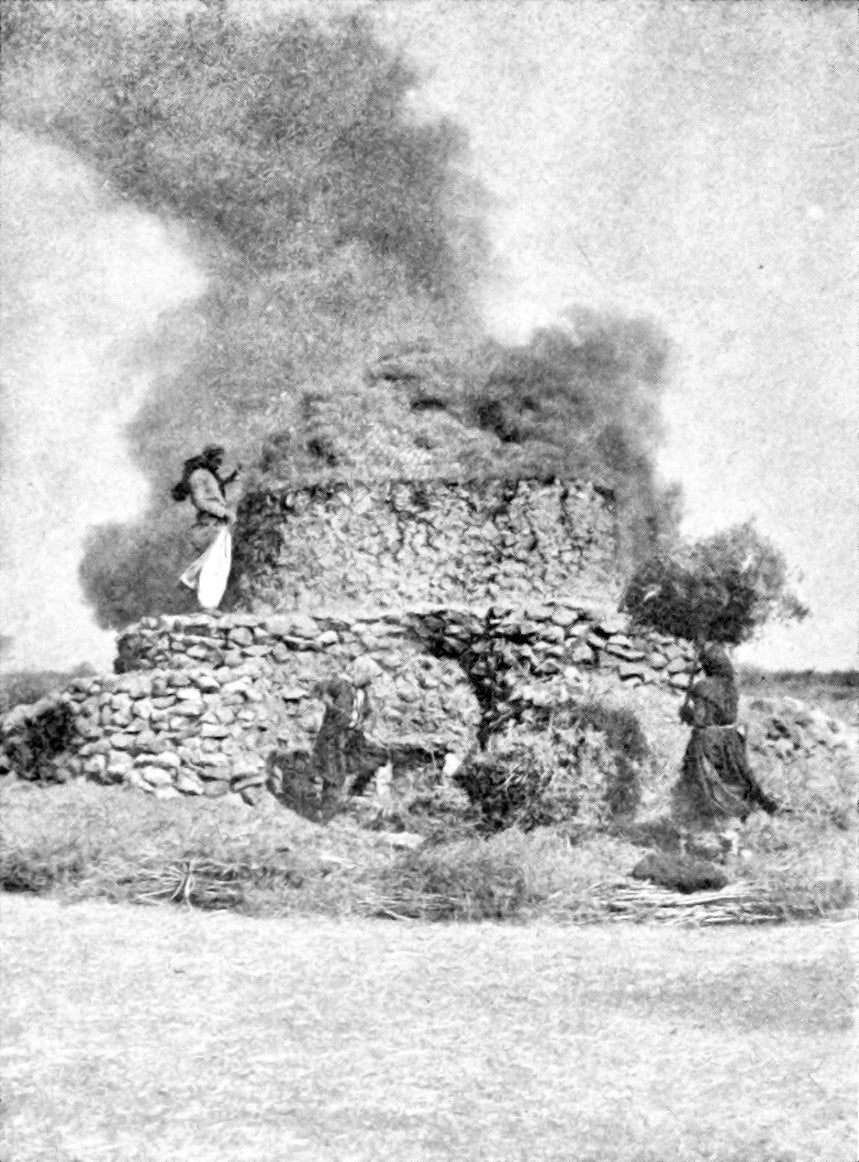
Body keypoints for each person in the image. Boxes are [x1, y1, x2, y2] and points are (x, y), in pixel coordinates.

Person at [673, 643, 779, 824]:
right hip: (731, 739)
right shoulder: (731, 688)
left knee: (707, 783)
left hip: (708, 741)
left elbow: (700, 721)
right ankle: (751, 812)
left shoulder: (702, 687)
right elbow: (728, 717)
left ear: (707, 666)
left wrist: (686, 714)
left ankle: (709, 822)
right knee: (735, 778)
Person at [310, 656, 389, 814]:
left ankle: (356, 792)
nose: (370, 682)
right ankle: (327, 810)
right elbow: (318, 689)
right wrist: (326, 699)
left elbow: (365, 713)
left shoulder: (362, 692)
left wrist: (366, 727)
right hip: (334, 736)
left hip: (353, 736)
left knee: (379, 754)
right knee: (334, 773)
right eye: (368, 677)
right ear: (360, 672)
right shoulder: (340, 683)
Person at [172, 445, 241, 552]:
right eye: (217, 461)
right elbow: (199, 501)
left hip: (217, 520)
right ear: (209, 459)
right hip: (210, 522)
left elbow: (214, 488)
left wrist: (232, 477)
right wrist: (223, 512)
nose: (220, 465)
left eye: (221, 461)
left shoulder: (208, 473)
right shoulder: (198, 476)